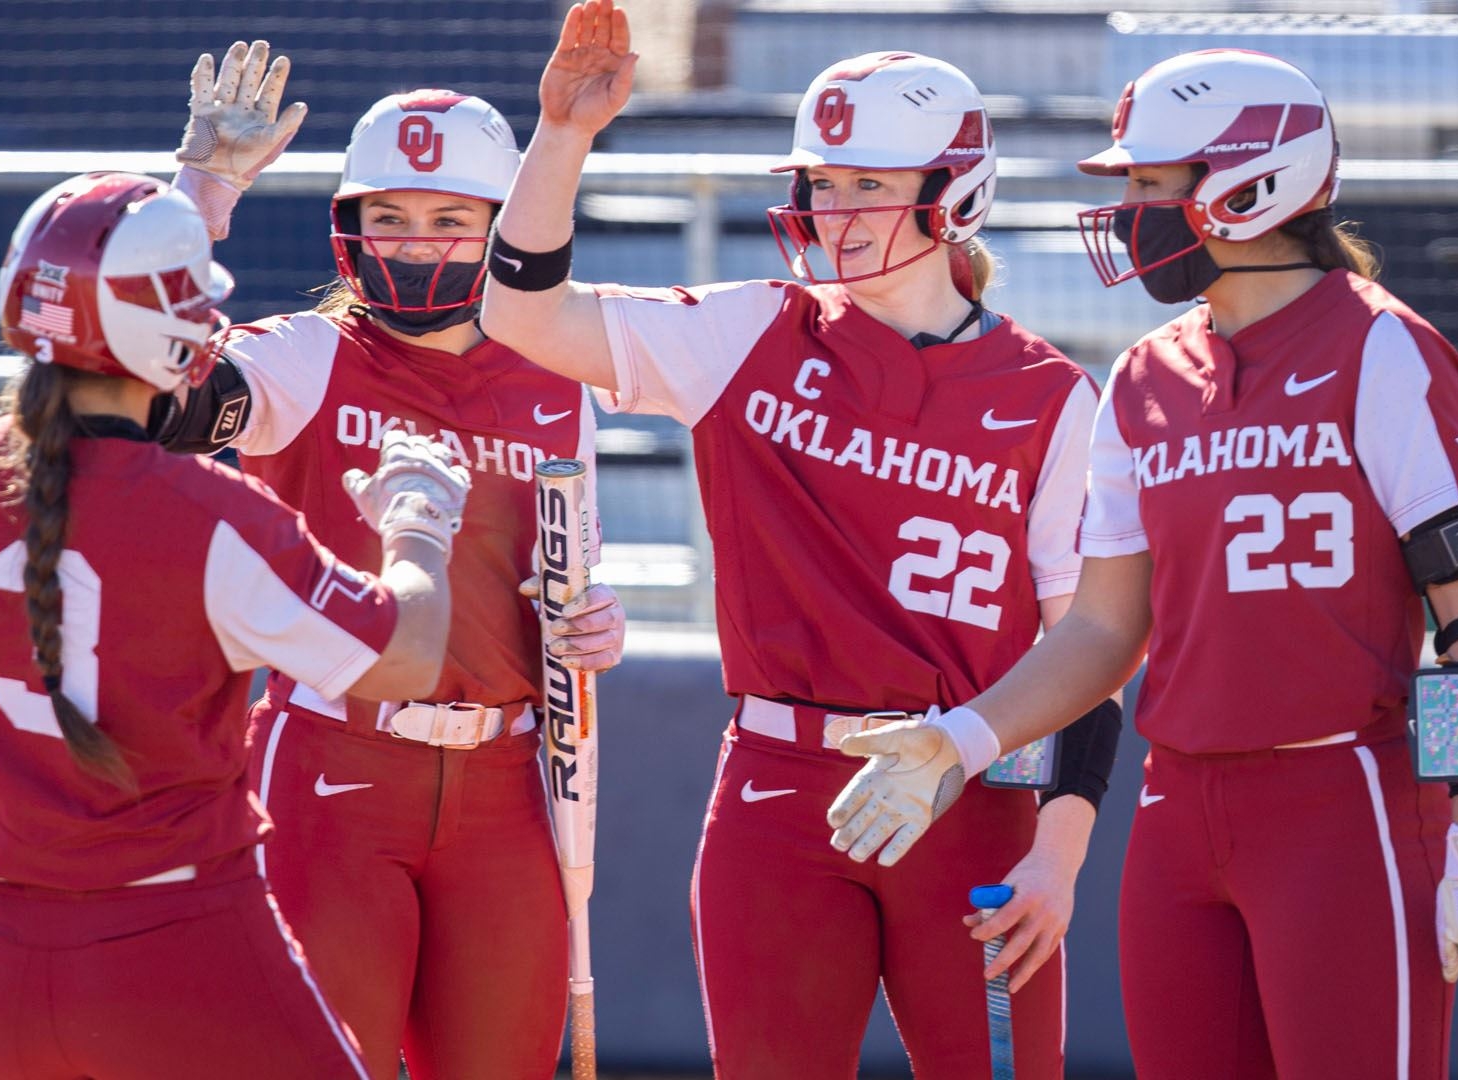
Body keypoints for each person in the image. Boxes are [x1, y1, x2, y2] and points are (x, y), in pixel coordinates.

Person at [826, 50, 1458, 1080]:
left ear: (1253, 182)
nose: (1128, 209)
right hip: (1177, 814)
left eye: (1148, 183)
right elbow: (1100, 632)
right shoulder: (1143, 375)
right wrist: (957, 739)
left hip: (1343, 797)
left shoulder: (1383, 349)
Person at [481, 4, 1123, 1076]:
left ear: (952, 193)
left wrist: (1060, 858)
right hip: (777, 790)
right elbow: (524, 318)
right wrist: (563, 136)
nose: (837, 213)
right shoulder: (751, 329)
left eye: (871, 185)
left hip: (971, 793)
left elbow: (1086, 653)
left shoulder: (1053, 398)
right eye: (824, 184)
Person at [0, 172, 473, 1079]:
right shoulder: (212, 516)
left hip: (1, 961)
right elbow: (408, 657)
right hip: (185, 947)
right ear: (172, 335)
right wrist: (417, 524)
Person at [153, 40, 627, 1080]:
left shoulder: (561, 369)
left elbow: (572, 573)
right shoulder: (307, 354)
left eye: (451, 218)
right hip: (331, 769)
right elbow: (150, 388)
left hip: (513, 786)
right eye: (392, 217)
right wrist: (200, 196)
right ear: (350, 230)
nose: (418, 244)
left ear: (504, 229)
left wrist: (597, 619)